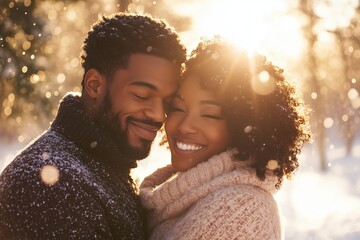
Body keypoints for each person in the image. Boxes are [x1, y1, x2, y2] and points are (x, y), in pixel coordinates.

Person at [0, 13, 186, 240]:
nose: (159, 115)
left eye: (167, 102)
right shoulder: (50, 186)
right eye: (142, 95)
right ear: (95, 85)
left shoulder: (104, 166)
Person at [140, 38, 311, 240]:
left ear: (245, 129)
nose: (184, 125)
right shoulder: (175, 197)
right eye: (177, 108)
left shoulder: (241, 207)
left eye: (210, 115)